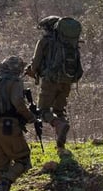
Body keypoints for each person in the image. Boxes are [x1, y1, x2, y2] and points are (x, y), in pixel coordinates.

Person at [0, 56, 34, 191]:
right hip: (7, 126)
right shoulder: (14, 82)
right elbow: (18, 102)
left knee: (2, 165)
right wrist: (29, 117)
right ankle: (4, 184)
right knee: (23, 160)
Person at [25, 16, 81, 150]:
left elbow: (35, 65)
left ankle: (59, 125)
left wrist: (30, 71)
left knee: (42, 111)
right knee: (59, 110)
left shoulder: (44, 41)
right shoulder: (70, 43)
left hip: (50, 81)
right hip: (67, 81)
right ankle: (61, 143)